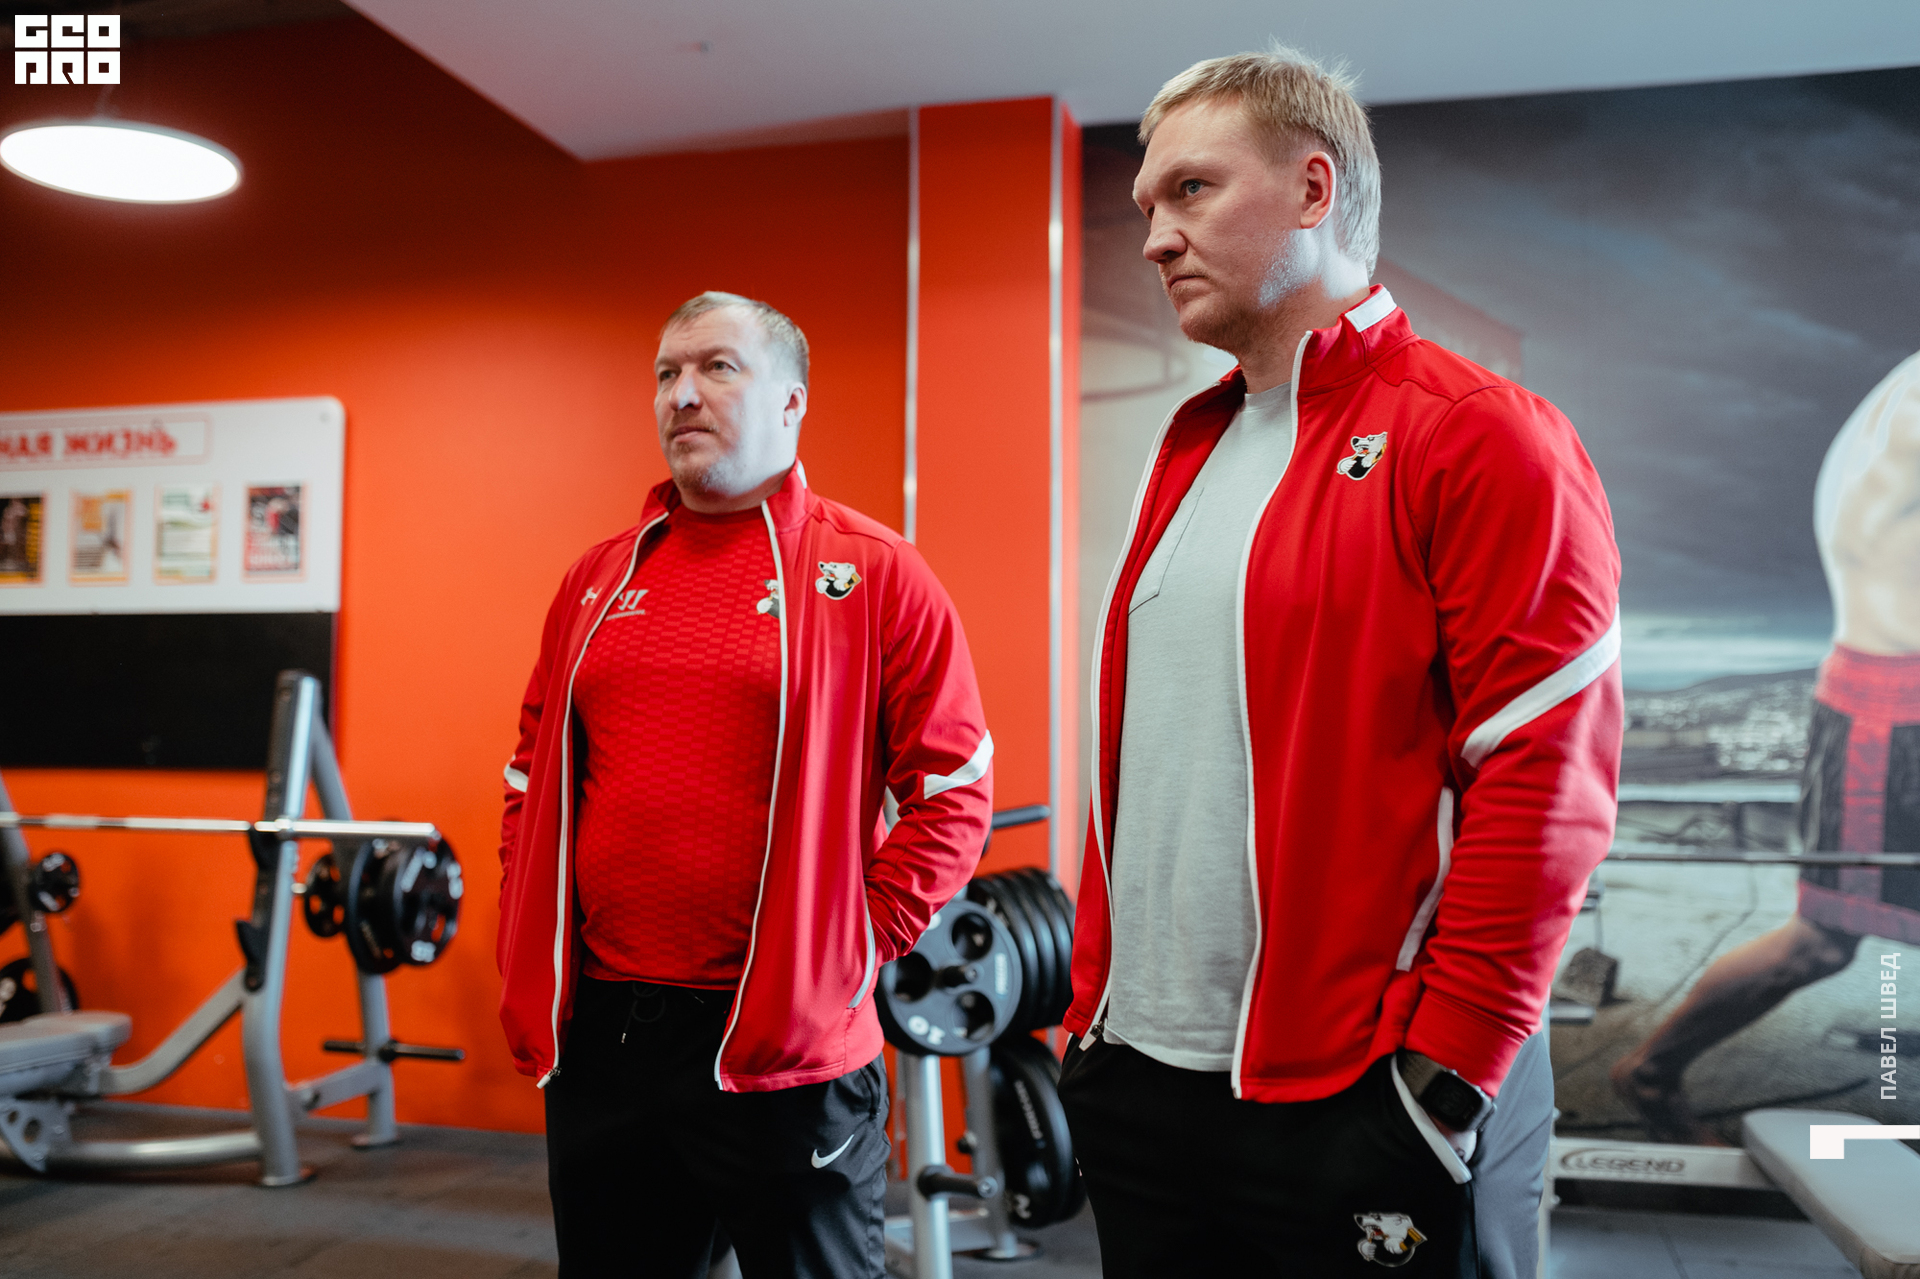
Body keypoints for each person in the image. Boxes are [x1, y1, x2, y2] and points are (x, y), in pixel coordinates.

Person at [1059, 48, 1622, 1277]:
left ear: (1314, 189)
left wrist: (1445, 1080)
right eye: (1146, 204)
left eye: (1192, 190)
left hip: (1358, 1091)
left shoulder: (1478, 434)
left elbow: (1548, 781)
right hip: (1145, 1080)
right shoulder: (1191, 446)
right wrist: (1088, 1036)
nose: (1155, 237)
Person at [496, 291, 994, 1278]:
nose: (683, 394)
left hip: (784, 1046)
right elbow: (529, 773)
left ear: (791, 400)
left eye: (717, 367)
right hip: (608, 1036)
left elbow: (955, 787)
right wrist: (526, 913)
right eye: (666, 373)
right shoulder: (596, 579)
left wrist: (851, 944)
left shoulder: (873, 571)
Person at [1613, 351, 1920, 1143]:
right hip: (1891, 713)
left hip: (1887, 699)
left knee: (1822, 944)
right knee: (1818, 943)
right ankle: (1651, 1070)